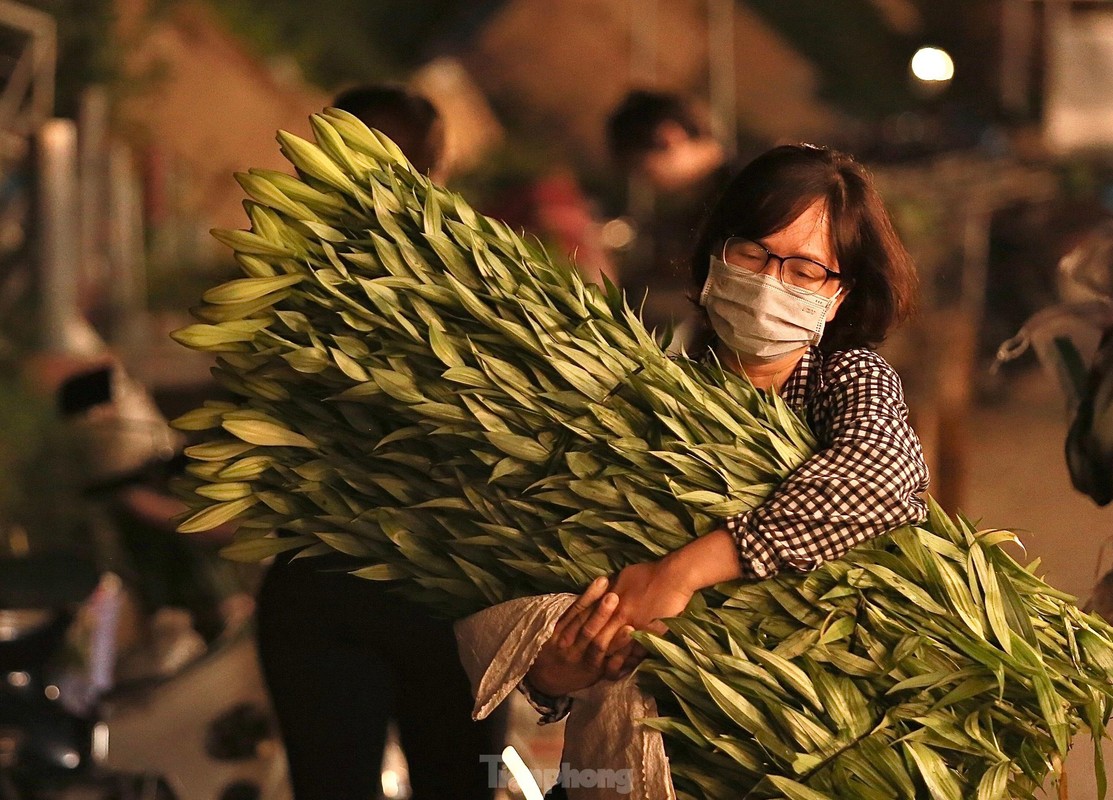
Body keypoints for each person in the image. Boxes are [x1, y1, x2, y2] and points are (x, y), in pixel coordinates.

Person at [521, 143, 930, 791]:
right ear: (716, 255)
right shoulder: (641, 395)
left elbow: (881, 475)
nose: (770, 281)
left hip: (787, 764)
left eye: (804, 270)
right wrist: (556, 672)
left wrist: (681, 572)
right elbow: (538, 582)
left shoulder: (842, 381)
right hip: (631, 759)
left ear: (837, 294)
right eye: (752, 253)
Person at [253, 85, 503, 800]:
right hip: (446, 594)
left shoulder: (282, 280)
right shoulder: (486, 284)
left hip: (340, 592)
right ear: (438, 166)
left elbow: (252, 423)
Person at [605, 89, 738, 349]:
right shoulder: (705, 201)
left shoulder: (746, 190)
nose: (648, 181)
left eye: (643, 168)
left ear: (668, 137)